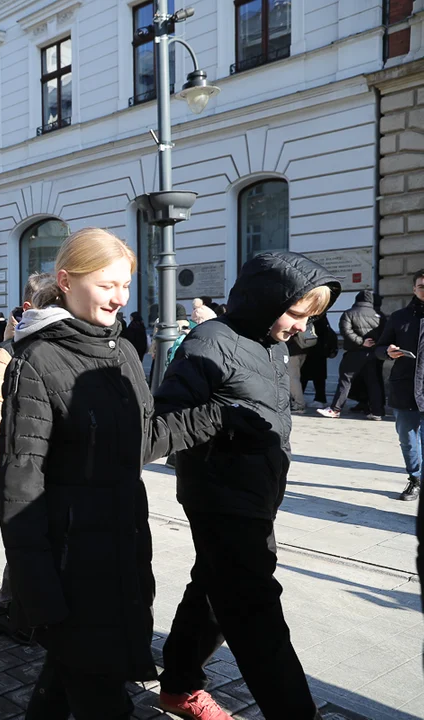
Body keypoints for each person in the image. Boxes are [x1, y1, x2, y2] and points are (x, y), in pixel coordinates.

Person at [0, 230, 238, 719]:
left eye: (125, 285)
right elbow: (20, 485)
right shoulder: (37, 361)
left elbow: (142, 441)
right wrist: (36, 587)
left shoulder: (124, 351)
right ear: (65, 281)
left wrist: (214, 416)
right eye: (108, 284)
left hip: (124, 546)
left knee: (68, 680)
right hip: (71, 564)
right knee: (101, 695)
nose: (120, 296)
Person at [154, 250, 338, 720]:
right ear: (265, 301)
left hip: (257, 493)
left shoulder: (271, 341)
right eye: (297, 314)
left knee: (211, 592)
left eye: (310, 316)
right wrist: (223, 419)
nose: (301, 326)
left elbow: (307, 348)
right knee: (256, 610)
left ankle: (177, 686)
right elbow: (164, 424)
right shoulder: (208, 342)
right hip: (218, 496)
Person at [0, 271, 56, 647]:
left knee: (51, 535)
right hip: (19, 454)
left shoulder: (62, 345)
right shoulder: (10, 347)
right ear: (29, 308)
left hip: (56, 453)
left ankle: (37, 607)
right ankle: (9, 609)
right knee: (27, 534)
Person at [375, 269, 424, 502]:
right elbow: (379, 347)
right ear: (414, 289)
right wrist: (387, 352)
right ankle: (415, 479)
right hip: (405, 388)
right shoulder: (399, 317)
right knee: (408, 438)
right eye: (422, 286)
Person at [319, 289, 385, 421]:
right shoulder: (379, 315)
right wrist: (374, 343)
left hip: (354, 352)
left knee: (345, 381)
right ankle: (377, 412)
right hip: (373, 354)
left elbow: (346, 332)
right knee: (374, 382)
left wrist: (361, 342)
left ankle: (335, 409)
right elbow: (385, 333)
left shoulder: (349, 313)